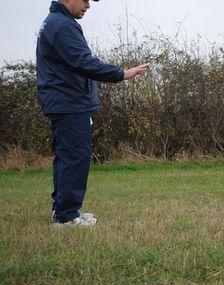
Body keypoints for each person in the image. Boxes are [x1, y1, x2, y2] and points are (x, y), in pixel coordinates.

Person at [36, 0, 150, 227]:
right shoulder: (62, 25)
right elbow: (83, 61)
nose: (88, 5)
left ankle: (63, 210)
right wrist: (121, 74)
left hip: (65, 101)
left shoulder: (57, 22)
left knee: (67, 156)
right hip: (69, 102)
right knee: (75, 156)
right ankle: (67, 216)